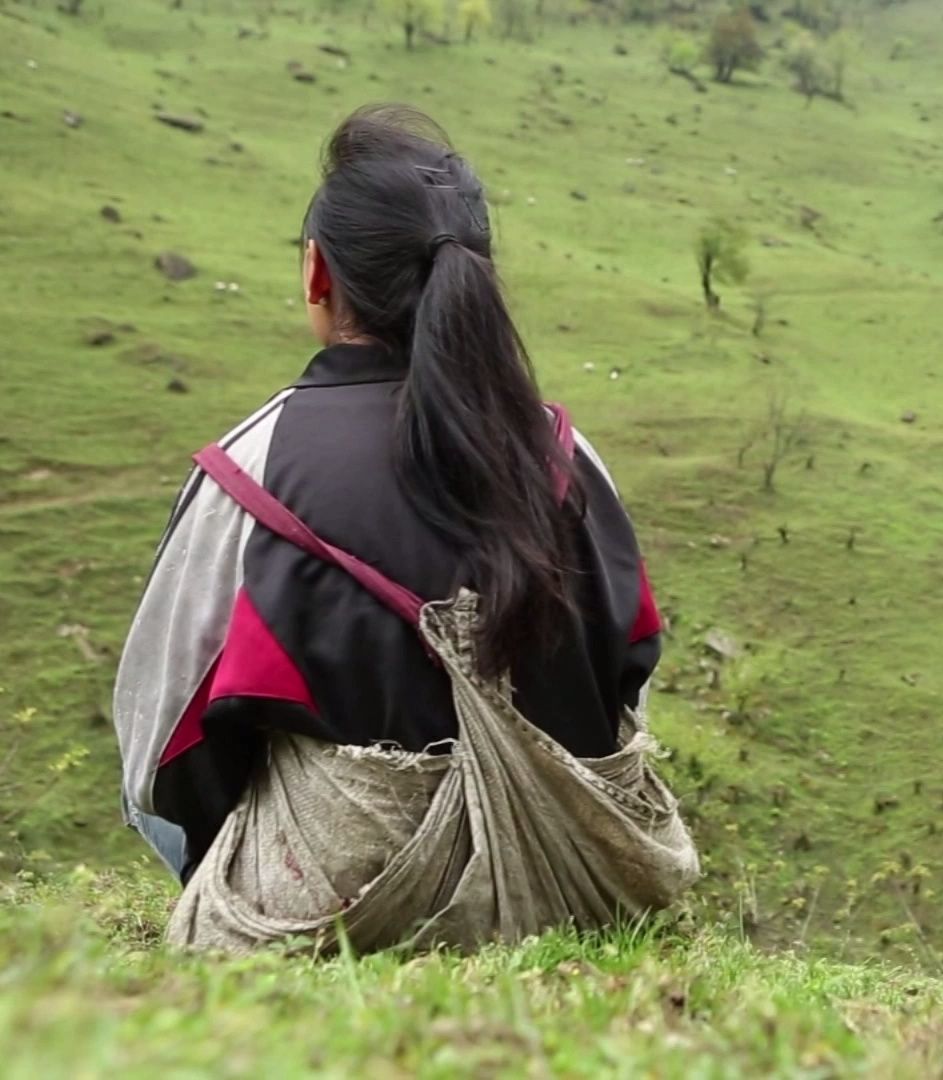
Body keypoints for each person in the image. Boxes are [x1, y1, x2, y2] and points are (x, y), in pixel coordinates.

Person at [111, 105, 697, 950]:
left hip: (338, 903)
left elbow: (162, 742)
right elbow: (629, 676)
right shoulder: (570, 457)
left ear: (319, 274)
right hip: (576, 893)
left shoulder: (252, 467)